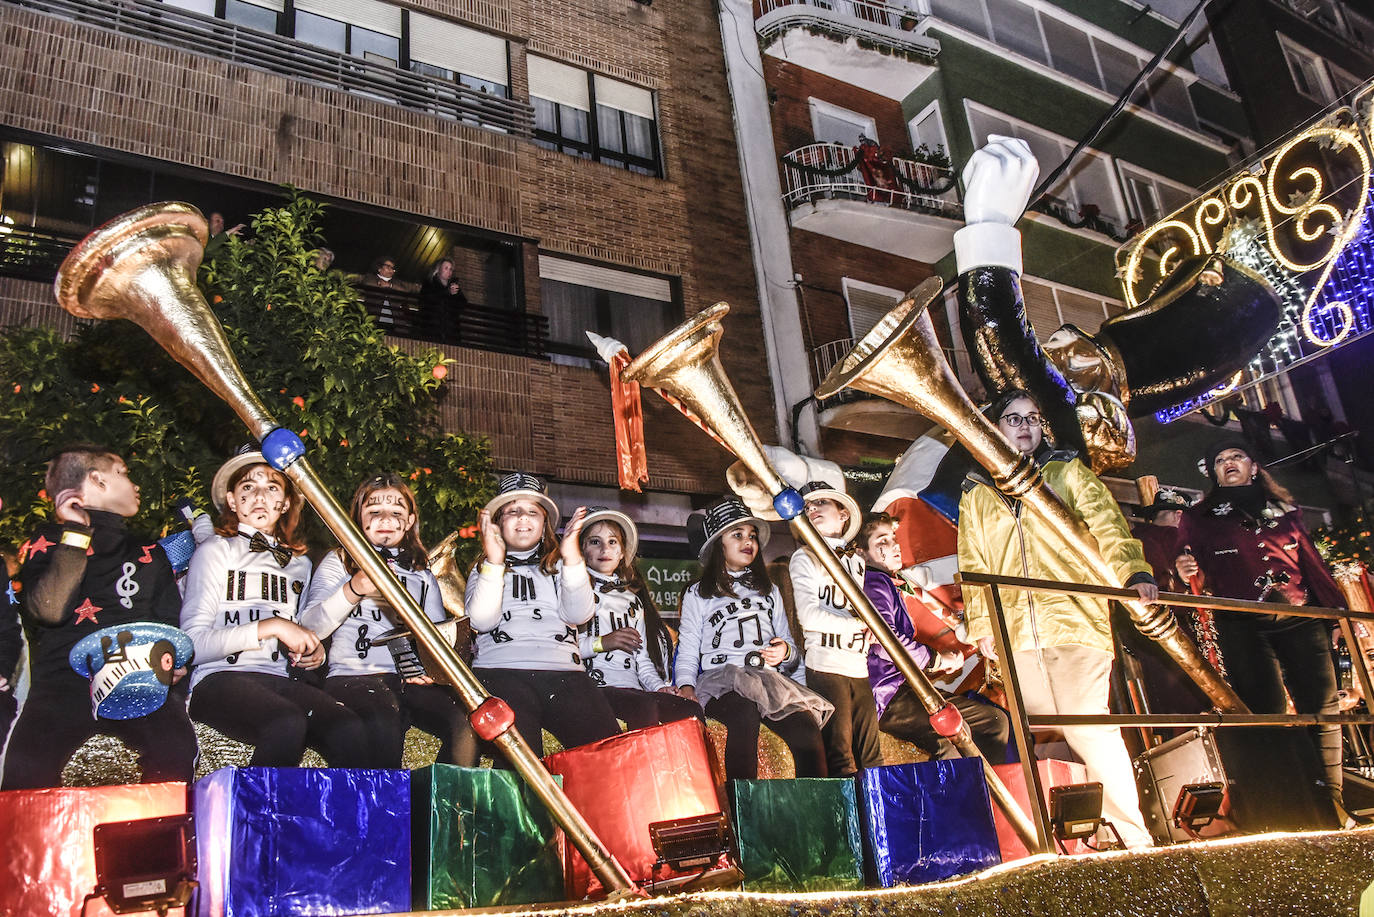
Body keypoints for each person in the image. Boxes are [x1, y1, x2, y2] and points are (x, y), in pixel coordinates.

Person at [958, 389, 1155, 848]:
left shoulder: (1066, 469)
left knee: (1089, 727)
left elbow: (1108, 523)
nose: (1025, 426)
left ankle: (1132, 835)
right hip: (1017, 635)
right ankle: (1073, 838)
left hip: (1074, 621)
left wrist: (1134, 570)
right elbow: (973, 559)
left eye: (1032, 417)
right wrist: (984, 623)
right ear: (996, 428)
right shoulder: (974, 489)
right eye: (1013, 418)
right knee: (1041, 732)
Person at [1174, 438, 1352, 822]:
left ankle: (1332, 799)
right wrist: (1185, 566)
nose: (1229, 463)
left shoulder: (1285, 509)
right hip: (1241, 622)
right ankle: (1290, 804)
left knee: (1322, 707)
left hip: (1299, 615)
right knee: (1265, 713)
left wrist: (1337, 615)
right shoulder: (1199, 515)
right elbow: (1186, 552)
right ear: (1214, 472)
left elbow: (1311, 562)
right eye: (1220, 460)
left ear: (1254, 466)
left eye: (1236, 456)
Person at [2, 445, 196, 789]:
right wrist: (75, 533)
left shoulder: (149, 551)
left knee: (176, 747)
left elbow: (170, 621)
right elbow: (47, 608)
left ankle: (150, 840)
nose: (135, 485)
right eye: (123, 473)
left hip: (138, 680)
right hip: (64, 683)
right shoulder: (48, 539)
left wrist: (176, 661)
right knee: (25, 766)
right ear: (96, 481)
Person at [180, 450, 370, 766]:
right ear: (231, 500)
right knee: (286, 722)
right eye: (247, 487)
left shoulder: (299, 564)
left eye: (271, 487)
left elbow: (309, 627)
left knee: (348, 728)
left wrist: (313, 650)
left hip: (277, 681)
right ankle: (256, 817)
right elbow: (192, 645)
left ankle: (338, 816)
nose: (259, 495)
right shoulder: (216, 550)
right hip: (218, 680)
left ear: (283, 504)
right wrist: (272, 626)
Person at [300, 473, 477, 767]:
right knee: (383, 721)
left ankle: (436, 809)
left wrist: (431, 670)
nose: (385, 518)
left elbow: (435, 640)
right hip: (353, 677)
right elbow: (310, 627)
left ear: (408, 522)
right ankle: (385, 810)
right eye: (374, 511)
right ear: (358, 517)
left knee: (468, 726)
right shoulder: (338, 561)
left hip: (409, 681)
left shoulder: (423, 575)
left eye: (396, 512)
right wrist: (353, 588)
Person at [465, 473, 620, 765]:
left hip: (565, 674)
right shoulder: (482, 568)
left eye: (532, 511)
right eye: (513, 511)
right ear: (497, 523)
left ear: (544, 522)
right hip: (500, 671)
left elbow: (579, 614)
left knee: (607, 750)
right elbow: (481, 622)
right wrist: (495, 562)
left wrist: (573, 558)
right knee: (522, 755)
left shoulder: (563, 565)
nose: (523, 517)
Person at [676, 498, 829, 780]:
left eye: (752, 535)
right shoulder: (698, 593)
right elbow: (687, 645)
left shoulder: (768, 590)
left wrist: (784, 653)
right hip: (723, 680)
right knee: (743, 718)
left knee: (807, 731)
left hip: (769, 681)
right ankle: (742, 815)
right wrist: (685, 685)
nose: (748, 542)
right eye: (737, 535)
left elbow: (789, 645)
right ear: (717, 545)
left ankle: (815, 814)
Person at [857, 511, 1010, 763]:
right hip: (886, 692)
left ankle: (988, 793)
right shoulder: (873, 583)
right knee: (947, 734)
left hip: (905, 686)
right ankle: (950, 798)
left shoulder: (889, 584)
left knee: (994, 722)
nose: (894, 545)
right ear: (861, 553)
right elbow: (886, 641)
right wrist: (936, 660)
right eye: (882, 541)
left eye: (893, 538)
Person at [788, 479, 882, 776]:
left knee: (872, 757)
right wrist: (860, 622)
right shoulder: (804, 557)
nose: (812, 508)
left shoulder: (856, 560)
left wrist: (869, 628)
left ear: (843, 514)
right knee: (840, 756)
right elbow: (809, 617)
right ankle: (852, 823)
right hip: (826, 664)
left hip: (858, 664)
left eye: (821, 503)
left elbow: (860, 608)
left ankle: (880, 821)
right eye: (807, 506)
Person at [578, 506, 701, 729]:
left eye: (613, 542)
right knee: (642, 708)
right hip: (595, 689)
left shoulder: (632, 600)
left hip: (633, 688)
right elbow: (562, 650)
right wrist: (602, 643)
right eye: (595, 542)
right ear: (581, 549)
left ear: (623, 552)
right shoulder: (574, 593)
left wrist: (660, 687)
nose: (605, 548)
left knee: (689, 710)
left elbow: (642, 660)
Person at [420, 258, 469, 343]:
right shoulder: (429, 283)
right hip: (433, 329)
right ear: (438, 269)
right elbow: (427, 300)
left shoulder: (454, 286)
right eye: (446, 268)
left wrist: (456, 295)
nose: (449, 271)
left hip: (451, 331)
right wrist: (447, 292)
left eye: (451, 269)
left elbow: (463, 304)